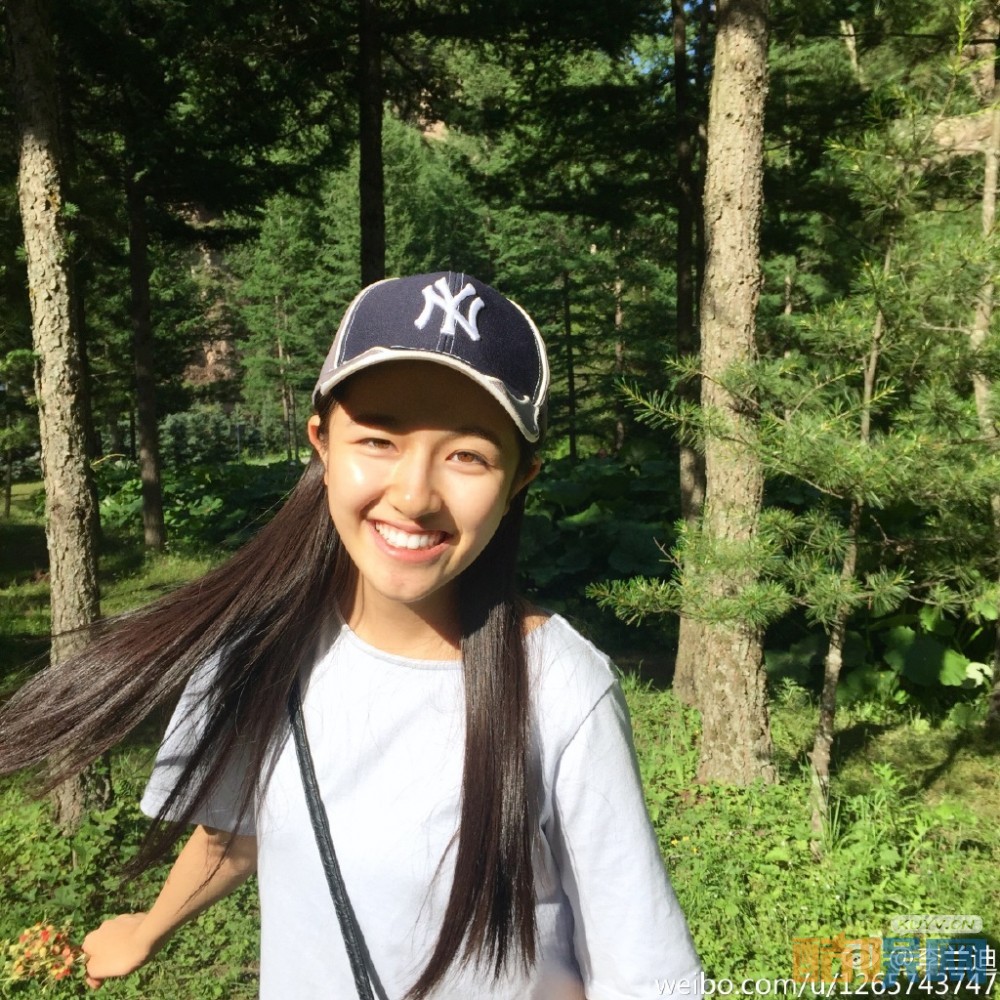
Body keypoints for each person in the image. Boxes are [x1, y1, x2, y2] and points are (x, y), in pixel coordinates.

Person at [0, 272, 701, 999]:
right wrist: (150, 927)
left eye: (468, 455)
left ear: (520, 478)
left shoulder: (562, 690)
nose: (415, 495)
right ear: (323, 444)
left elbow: (644, 971)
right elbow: (237, 831)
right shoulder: (255, 655)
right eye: (377, 439)